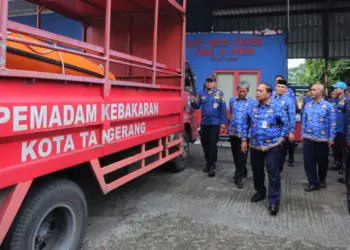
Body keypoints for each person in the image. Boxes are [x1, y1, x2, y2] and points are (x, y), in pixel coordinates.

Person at [241, 82, 289, 215]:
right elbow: (245, 123)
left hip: (272, 146)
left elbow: (286, 124)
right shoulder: (251, 107)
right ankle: (260, 192)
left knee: (273, 173)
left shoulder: (277, 107)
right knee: (257, 171)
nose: (257, 93)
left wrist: (281, 138)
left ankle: (274, 201)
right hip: (255, 145)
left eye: (260, 91)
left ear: (268, 94)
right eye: (256, 90)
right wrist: (244, 139)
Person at [191, 75, 228, 177]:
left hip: (215, 123)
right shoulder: (201, 93)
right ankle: (208, 162)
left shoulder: (219, 93)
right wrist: (193, 102)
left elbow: (223, 109)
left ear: (214, 83)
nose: (209, 83)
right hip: (205, 123)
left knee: (212, 144)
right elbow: (196, 106)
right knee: (205, 144)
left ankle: (212, 166)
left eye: (211, 81)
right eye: (207, 81)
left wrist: (223, 123)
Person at [302, 83, 336, 191]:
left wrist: (331, 137)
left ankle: (322, 179)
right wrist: (303, 135)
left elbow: (332, 123)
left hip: (323, 139)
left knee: (322, 162)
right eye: (311, 89)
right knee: (308, 162)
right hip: (308, 138)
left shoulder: (329, 106)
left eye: (314, 90)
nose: (311, 91)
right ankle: (312, 183)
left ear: (320, 92)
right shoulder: (307, 105)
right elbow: (304, 120)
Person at [228, 80, 257, 189]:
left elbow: (253, 119)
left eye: (244, 91)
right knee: (236, 155)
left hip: (245, 134)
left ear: (248, 91)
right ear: (237, 90)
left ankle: (238, 177)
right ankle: (243, 170)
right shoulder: (232, 100)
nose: (242, 93)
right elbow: (232, 113)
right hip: (233, 132)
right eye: (240, 91)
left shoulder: (252, 102)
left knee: (242, 156)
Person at [273, 79, 296, 171]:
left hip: (284, 131)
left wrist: (291, 131)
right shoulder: (270, 98)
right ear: (276, 87)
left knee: (281, 154)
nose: (280, 88)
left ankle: (278, 170)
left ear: (286, 89)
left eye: (282, 87)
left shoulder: (289, 101)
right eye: (279, 86)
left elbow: (292, 117)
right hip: (271, 130)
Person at [328, 81, 348, 173]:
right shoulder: (337, 100)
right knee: (335, 147)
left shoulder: (346, 100)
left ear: (342, 89)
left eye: (337, 88)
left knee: (342, 149)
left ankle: (343, 167)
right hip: (335, 128)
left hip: (342, 128)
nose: (335, 89)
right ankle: (337, 163)